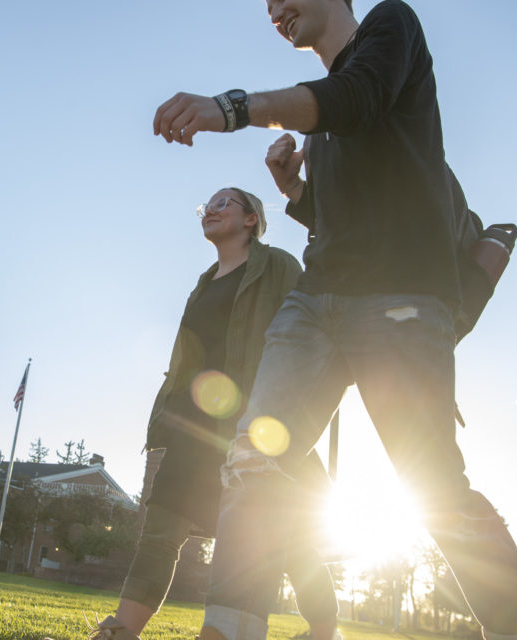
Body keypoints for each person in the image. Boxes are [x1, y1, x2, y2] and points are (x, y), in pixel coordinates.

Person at [152, 2, 517, 640]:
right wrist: (296, 194)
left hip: (401, 300)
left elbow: (359, 96)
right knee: (255, 460)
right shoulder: (321, 128)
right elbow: (353, 223)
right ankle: (229, 630)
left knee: (433, 485)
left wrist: (232, 108)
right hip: (316, 302)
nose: (275, 11)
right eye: (266, 8)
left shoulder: (391, 28)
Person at [86, 188, 338, 640]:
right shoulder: (203, 282)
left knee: (290, 540)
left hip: (255, 423)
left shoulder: (277, 265)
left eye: (225, 203)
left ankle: (324, 630)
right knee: (161, 529)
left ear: (251, 220)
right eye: (208, 205)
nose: (212, 209)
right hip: (194, 422)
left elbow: (309, 326)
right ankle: (119, 632)